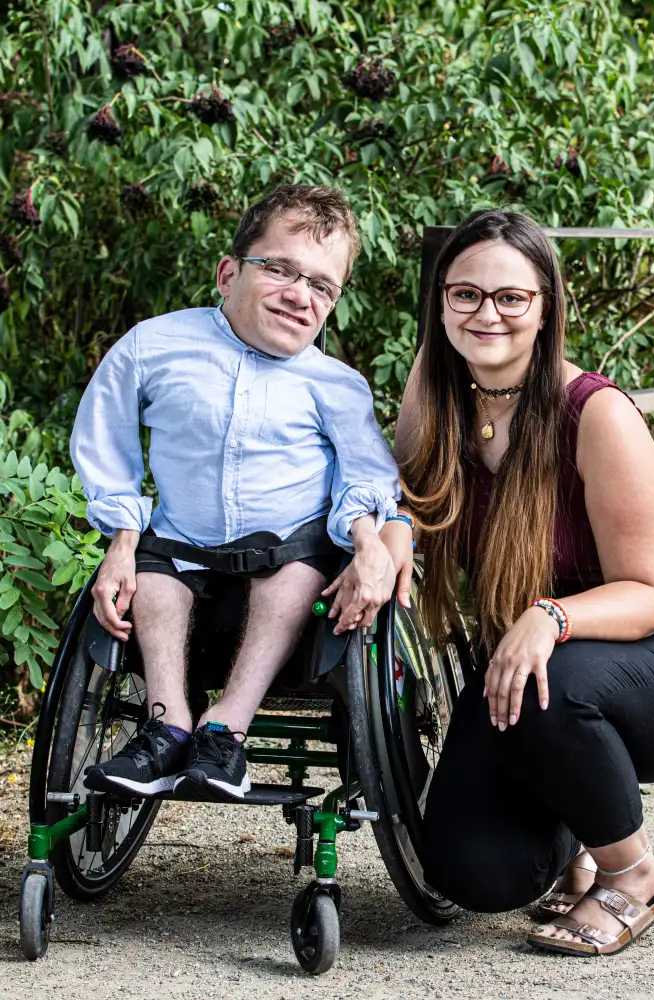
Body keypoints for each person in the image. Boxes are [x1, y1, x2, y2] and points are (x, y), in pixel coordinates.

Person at [391, 210, 654, 957]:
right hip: (530, 660)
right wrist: (384, 531)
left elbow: (648, 591)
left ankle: (632, 875)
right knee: (474, 871)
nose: (486, 313)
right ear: (441, 304)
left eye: (510, 297)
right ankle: (576, 826)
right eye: (465, 295)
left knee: (549, 680)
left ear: (545, 306)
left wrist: (548, 616)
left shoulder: (596, 413)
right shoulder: (433, 396)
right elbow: (398, 504)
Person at [70, 184, 411, 802]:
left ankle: (226, 730)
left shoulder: (336, 384)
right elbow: (106, 438)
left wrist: (369, 541)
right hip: (179, 546)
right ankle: (166, 725)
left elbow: (364, 476)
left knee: (300, 569)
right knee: (154, 568)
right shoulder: (154, 347)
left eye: (321, 286)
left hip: (287, 558)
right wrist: (120, 541)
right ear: (229, 273)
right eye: (280, 269)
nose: (299, 296)